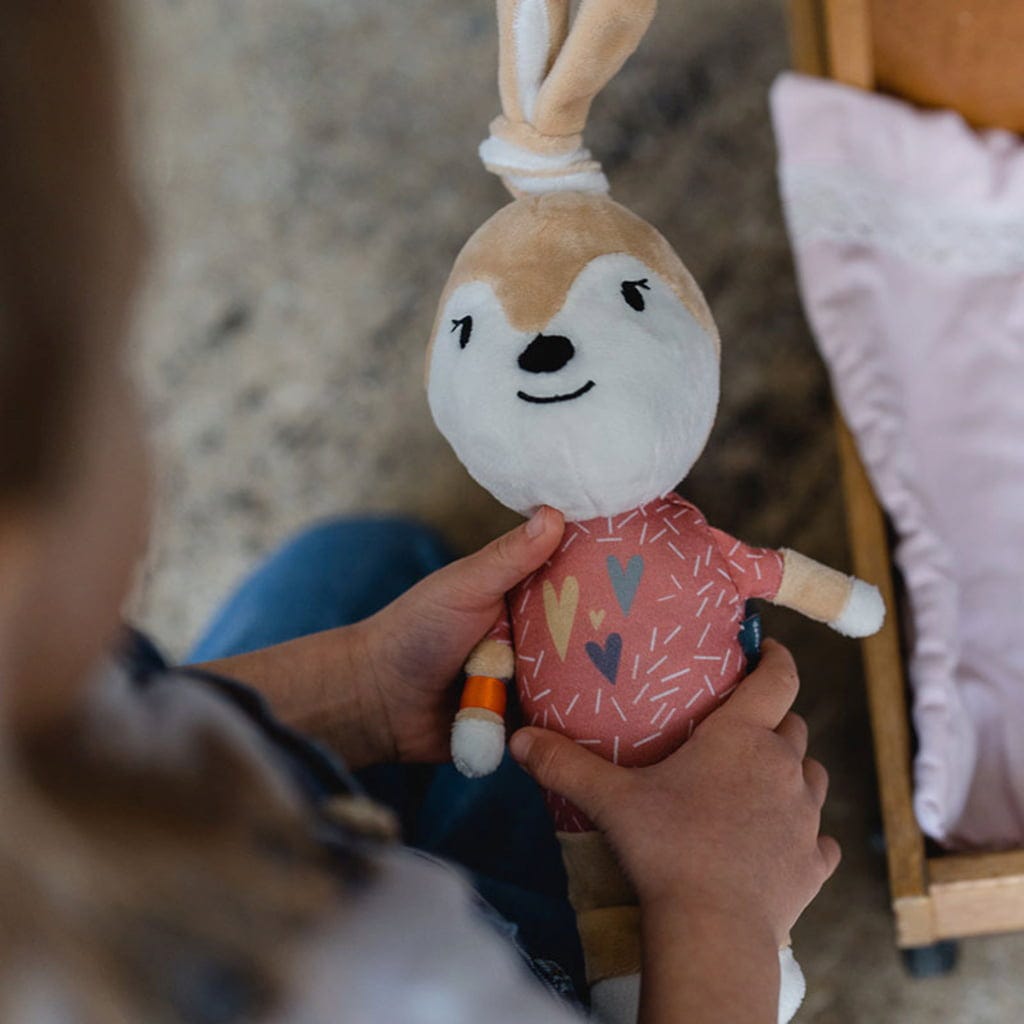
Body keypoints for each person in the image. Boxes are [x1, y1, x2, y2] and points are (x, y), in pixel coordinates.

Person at [0, 2, 840, 1022]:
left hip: (270, 813)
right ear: (24, 547)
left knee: (356, 563)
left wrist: (357, 689)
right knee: (579, 831)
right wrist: (718, 905)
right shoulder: (390, 989)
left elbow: (103, 716)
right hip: (527, 955)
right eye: (119, 371)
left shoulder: (33, 690)